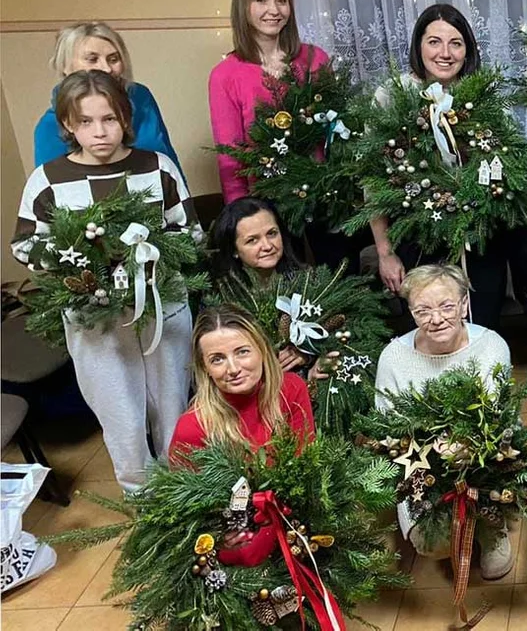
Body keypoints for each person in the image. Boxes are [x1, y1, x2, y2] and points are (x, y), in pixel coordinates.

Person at [11, 70, 198, 492]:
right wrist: (75, 263)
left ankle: (184, 493)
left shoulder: (156, 168)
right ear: (68, 126)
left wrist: (150, 254)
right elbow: (25, 246)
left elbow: (188, 231)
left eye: (110, 119)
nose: (100, 132)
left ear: (125, 119)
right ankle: (143, 498)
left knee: (171, 405)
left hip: (160, 305)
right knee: (121, 414)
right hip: (94, 318)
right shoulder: (48, 181)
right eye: (87, 122)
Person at [366, 4, 510, 330]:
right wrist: (386, 253)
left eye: (455, 43)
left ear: (467, 50)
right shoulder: (393, 95)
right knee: (432, 329)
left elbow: (506, 160)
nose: (445, 53)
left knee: (481, 326)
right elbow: (372, 181)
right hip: (418, 236)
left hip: (479, 238)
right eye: (434, 42)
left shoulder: (480, 95)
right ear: (419, 45)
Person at [209, 0, 360, 270]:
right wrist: (242, 217)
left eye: (282, 0)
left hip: (325, 196)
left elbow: (338, 128)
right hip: (268, 204)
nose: (274, 10)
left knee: (343, 277)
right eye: (262, 1)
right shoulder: (226, 74)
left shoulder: (314, 59)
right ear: (243, 7)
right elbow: (230, 157)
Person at [373, 264, 515, 580]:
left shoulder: (491, 346)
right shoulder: (393, 358)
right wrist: (429, 458)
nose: (436, 319)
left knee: (501, 459)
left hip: (482, 456)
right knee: (432, 543)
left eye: (447, 306)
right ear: (410, 312)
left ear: (464, 304)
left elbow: (497, 417)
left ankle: (492, 524)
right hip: (421, 467)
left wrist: (470, 446)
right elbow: (386, 431)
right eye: (423, 310)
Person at [168, 304, 315, 464]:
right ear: (205, 368)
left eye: (242, 352)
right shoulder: (191, 427)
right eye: (217, 359)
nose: (233, 369)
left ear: (262, 349)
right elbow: (185, 487)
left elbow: (305, 467)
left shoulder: (291, 389)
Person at [33, 23, 179, 171]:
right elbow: (53, 184)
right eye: (92, 59)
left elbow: (169, 159)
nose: (107, 68)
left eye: (113, 59)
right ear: (65, 66)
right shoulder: (49, 126)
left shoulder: (140, 96)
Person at [208, 196, 315, 373]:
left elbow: (335, 335)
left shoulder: (307, 281)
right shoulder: (221, 297)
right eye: (252, 240)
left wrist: (308, 353)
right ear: (234, 250)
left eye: (272, 233)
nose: (267, 246)